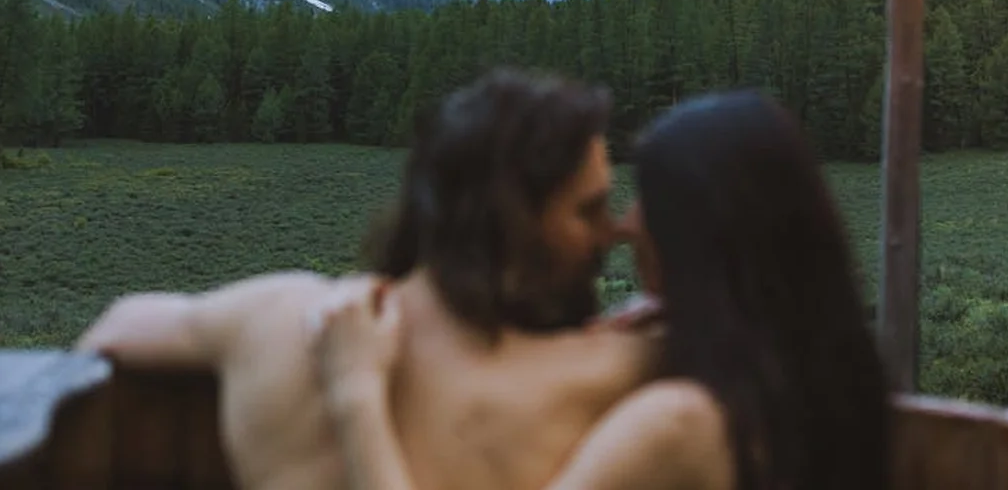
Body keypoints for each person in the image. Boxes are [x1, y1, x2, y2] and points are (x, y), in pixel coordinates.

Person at [74, 67, 662, 490]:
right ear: (515, 219)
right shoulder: (574, 376)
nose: (607, 233)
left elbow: (118, 326)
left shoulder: (281, 316)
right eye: (588, 210)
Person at [313, 90, 891, 489]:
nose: (623, 224)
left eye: (649, 198)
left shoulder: (678, 425)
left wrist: (356, 393)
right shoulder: (800, 376)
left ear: (703, 227)